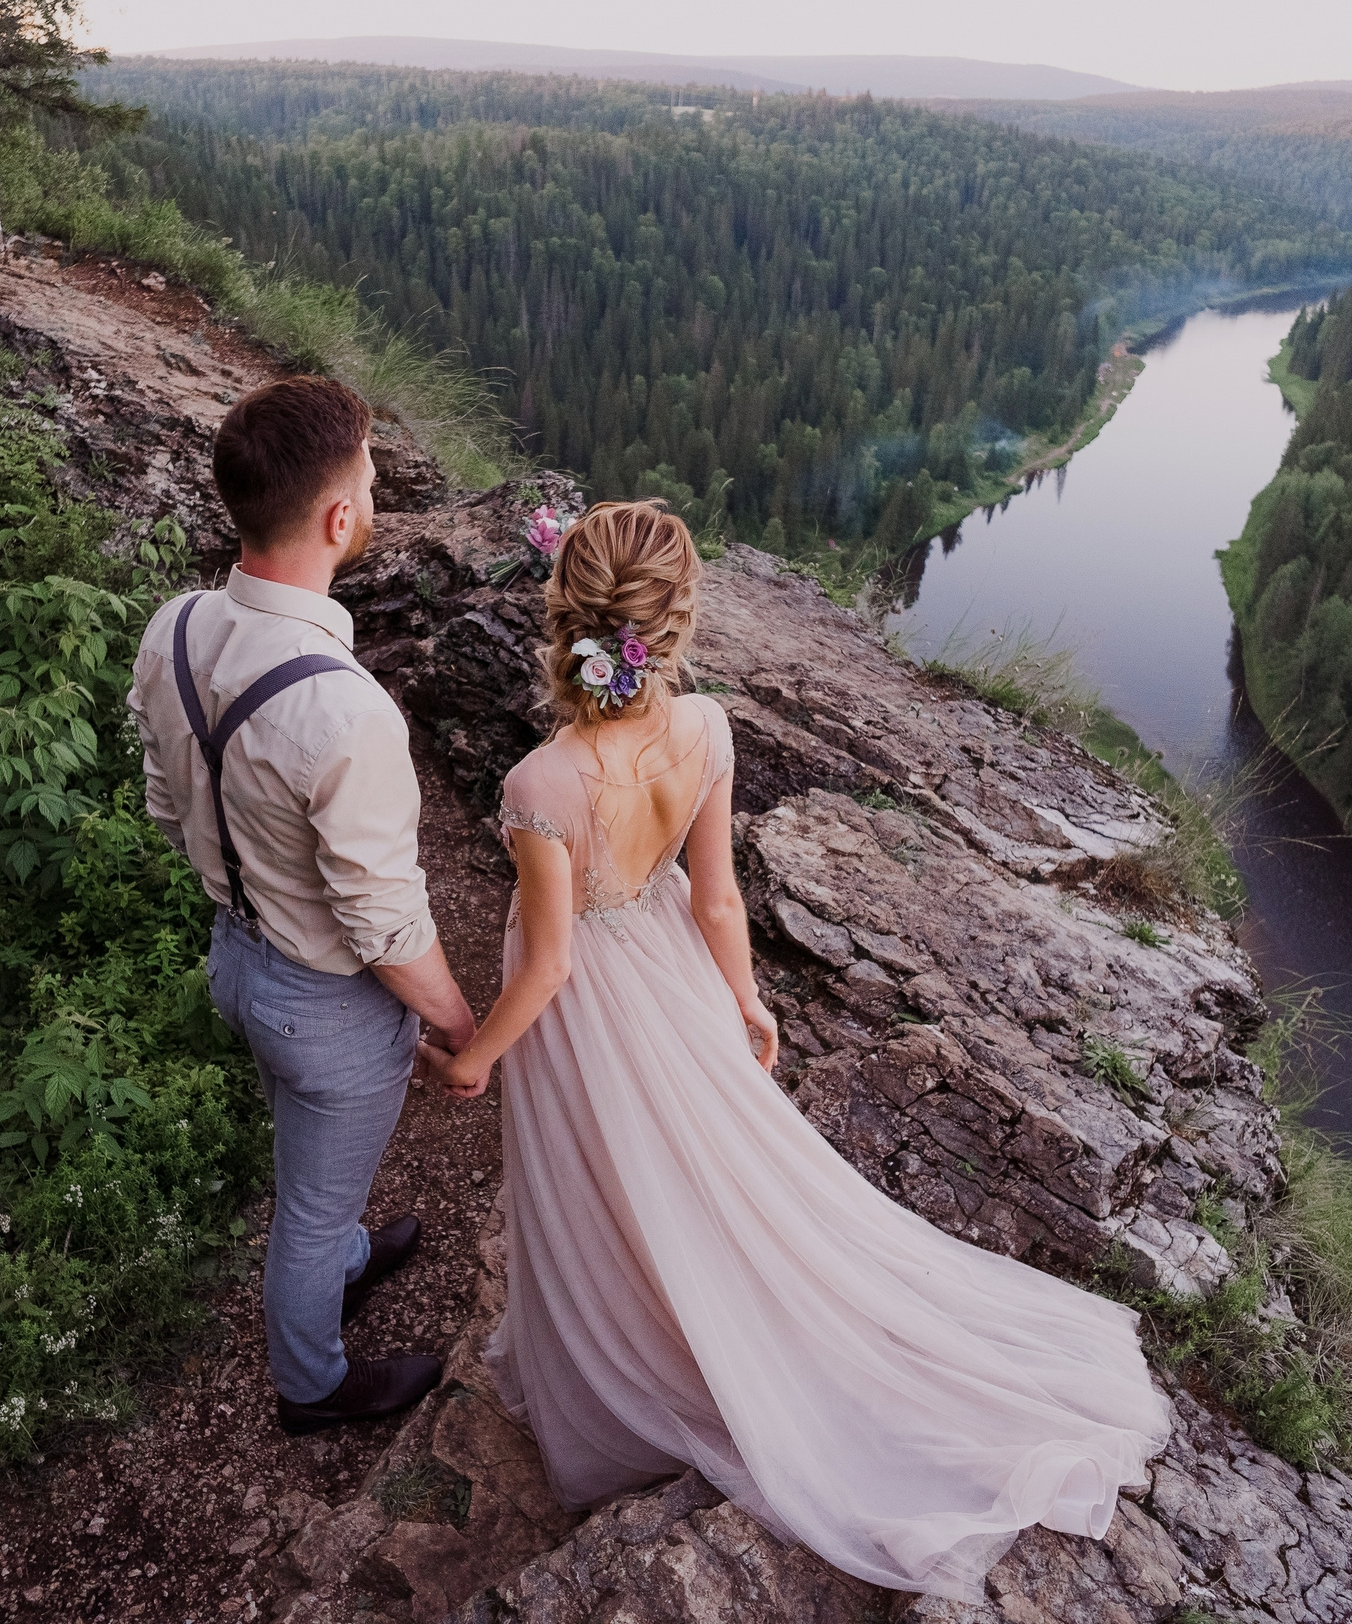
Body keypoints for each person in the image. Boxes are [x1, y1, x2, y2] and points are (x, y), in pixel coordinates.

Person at [415, 501, 1172, 1600]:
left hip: (585, 1018)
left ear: (563, 614)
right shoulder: (708, 728)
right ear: (671, 625)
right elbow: (717, 898)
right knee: (703, 1175)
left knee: (606, 1180)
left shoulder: (539, 786)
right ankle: (707, 1327)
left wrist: (477, 1056)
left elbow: (546, 968)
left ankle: (633, 1356)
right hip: (672, 972)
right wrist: (747, 999)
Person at [129, 375, 479, 1435]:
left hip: (235, 961)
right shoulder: (345, 708)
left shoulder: (176, 626)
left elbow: (162, 801)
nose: (371, 500)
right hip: (326, 1006)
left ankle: (345, 1256)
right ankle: (311, 1386)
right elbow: (382, 923)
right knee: (309, 1203)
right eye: (368, 485)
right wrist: (459, 1024)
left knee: (307, 1153)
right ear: (338, 519)